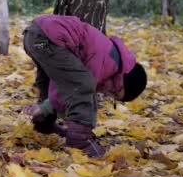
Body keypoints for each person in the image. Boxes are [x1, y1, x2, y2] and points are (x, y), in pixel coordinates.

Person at [22, 15, 147, 157]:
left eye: (113, 96)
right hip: (48, 39)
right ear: (124, 78)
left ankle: (43, 123)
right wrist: (46, 107)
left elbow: (63, 80)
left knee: (50, 78)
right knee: (83, 85)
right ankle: (80, 140)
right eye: (116, 91)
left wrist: (46, 108)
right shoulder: (108, 60)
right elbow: (75, 87)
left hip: (33, 36)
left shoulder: (110, 53)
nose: (108, 92)